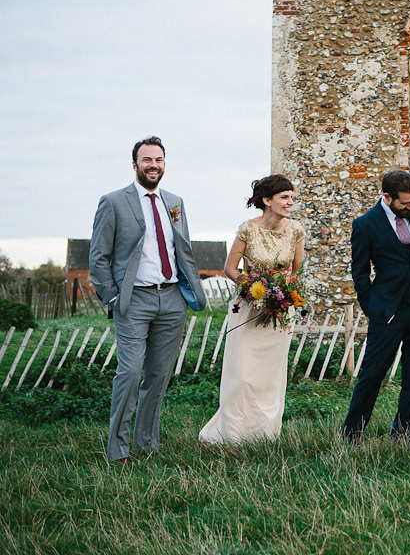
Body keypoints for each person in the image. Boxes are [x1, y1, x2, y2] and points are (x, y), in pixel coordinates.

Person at [90, 136, 207, 464]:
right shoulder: (113, 202)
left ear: (164, 164)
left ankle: (147, 444)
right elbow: (99, 256)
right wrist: (112, 297)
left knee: (159, 376)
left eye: (158, 160)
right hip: (133, 301)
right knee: (129, 373)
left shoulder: (175, 201)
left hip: (171, 300)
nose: (153, 165)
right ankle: (118, 450)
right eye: (147, 160)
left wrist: (188, 293)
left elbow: (182, 248)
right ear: (135, 165)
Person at [199, 175, 305, 444]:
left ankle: (264, 435)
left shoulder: (296, 231)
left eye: (292, 197)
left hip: (279, 311)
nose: (290, 202)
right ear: (267, 200)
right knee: (243, 374)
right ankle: (233, 434)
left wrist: (278, 293)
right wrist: (256, 288)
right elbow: (230, 269)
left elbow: (295, 270)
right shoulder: (248, 229)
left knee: (269, 377)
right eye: (284, 197)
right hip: (249, 308)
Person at [343, 170, 410, 444]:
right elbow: (359, 272)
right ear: (387, 197)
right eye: (405, 203)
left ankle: (403, 433)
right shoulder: (365, 224)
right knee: (372, 373)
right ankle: (352, 434)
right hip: (386, 310)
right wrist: (371, 306)